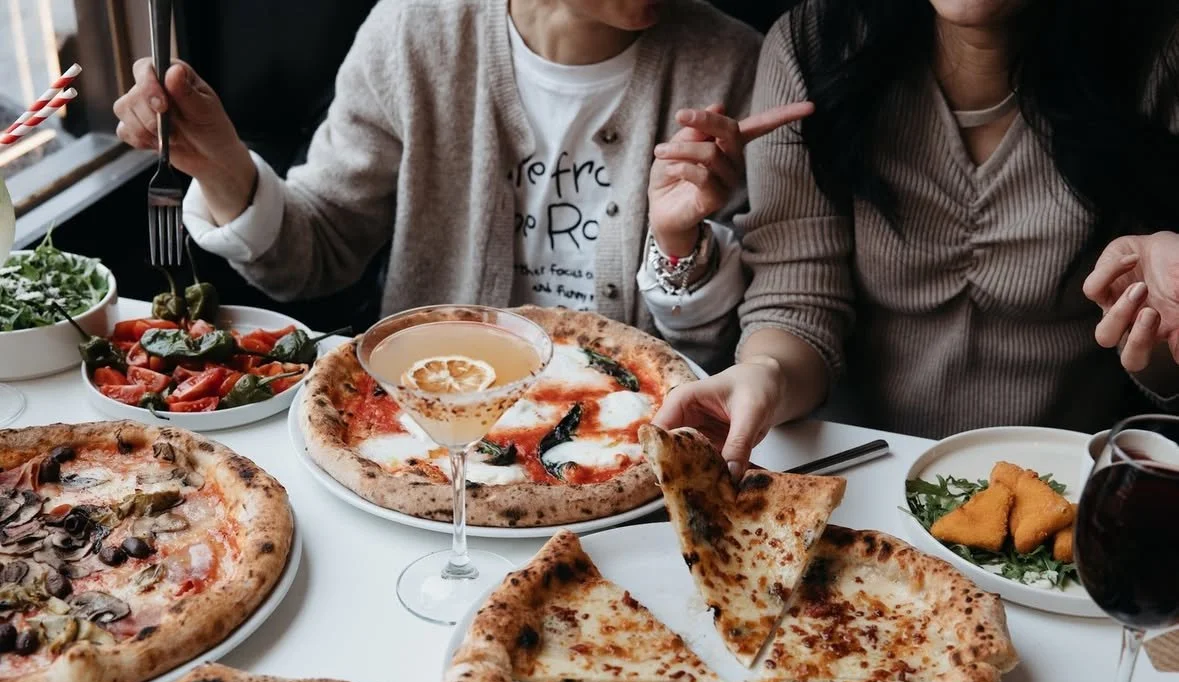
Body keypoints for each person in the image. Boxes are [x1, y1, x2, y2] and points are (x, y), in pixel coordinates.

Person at [112, 0, 810, 370]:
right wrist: (221, 164)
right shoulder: (413, 34)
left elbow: (718, 347)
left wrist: (676, 242)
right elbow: (316, 253)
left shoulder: (733, 64)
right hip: (421, 425)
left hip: (624, 450)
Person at [650, 0, 1179, 474]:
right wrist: (764, 374)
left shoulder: (1158, 58)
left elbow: (1156, 356)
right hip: (856, 471)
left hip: (1066, 485)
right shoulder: (815, 42)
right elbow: (797, 300)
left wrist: (1162, 330)